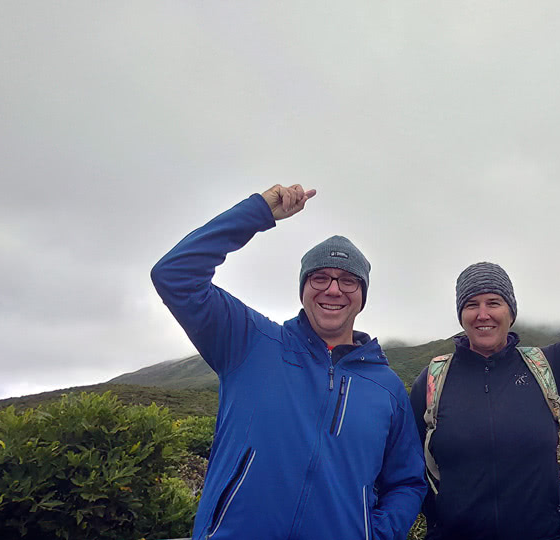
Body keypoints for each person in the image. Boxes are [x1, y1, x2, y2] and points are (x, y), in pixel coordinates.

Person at [151, 185, 425, 540]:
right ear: (303, 288)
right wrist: (258, 213)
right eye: (320, 277)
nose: (333, 290)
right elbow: (175, 275)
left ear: (362, 296)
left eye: (348, 280)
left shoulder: (387, 387)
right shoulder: (249, 341)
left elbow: (407, 482)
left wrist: (375, 534)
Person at [409, 208, 560, 540]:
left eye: (493, 302)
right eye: (471, 305)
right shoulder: (433, 381)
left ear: (511, 311)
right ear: (460, 314)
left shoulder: (549, 367)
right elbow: (409, 468)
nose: (483, 315)